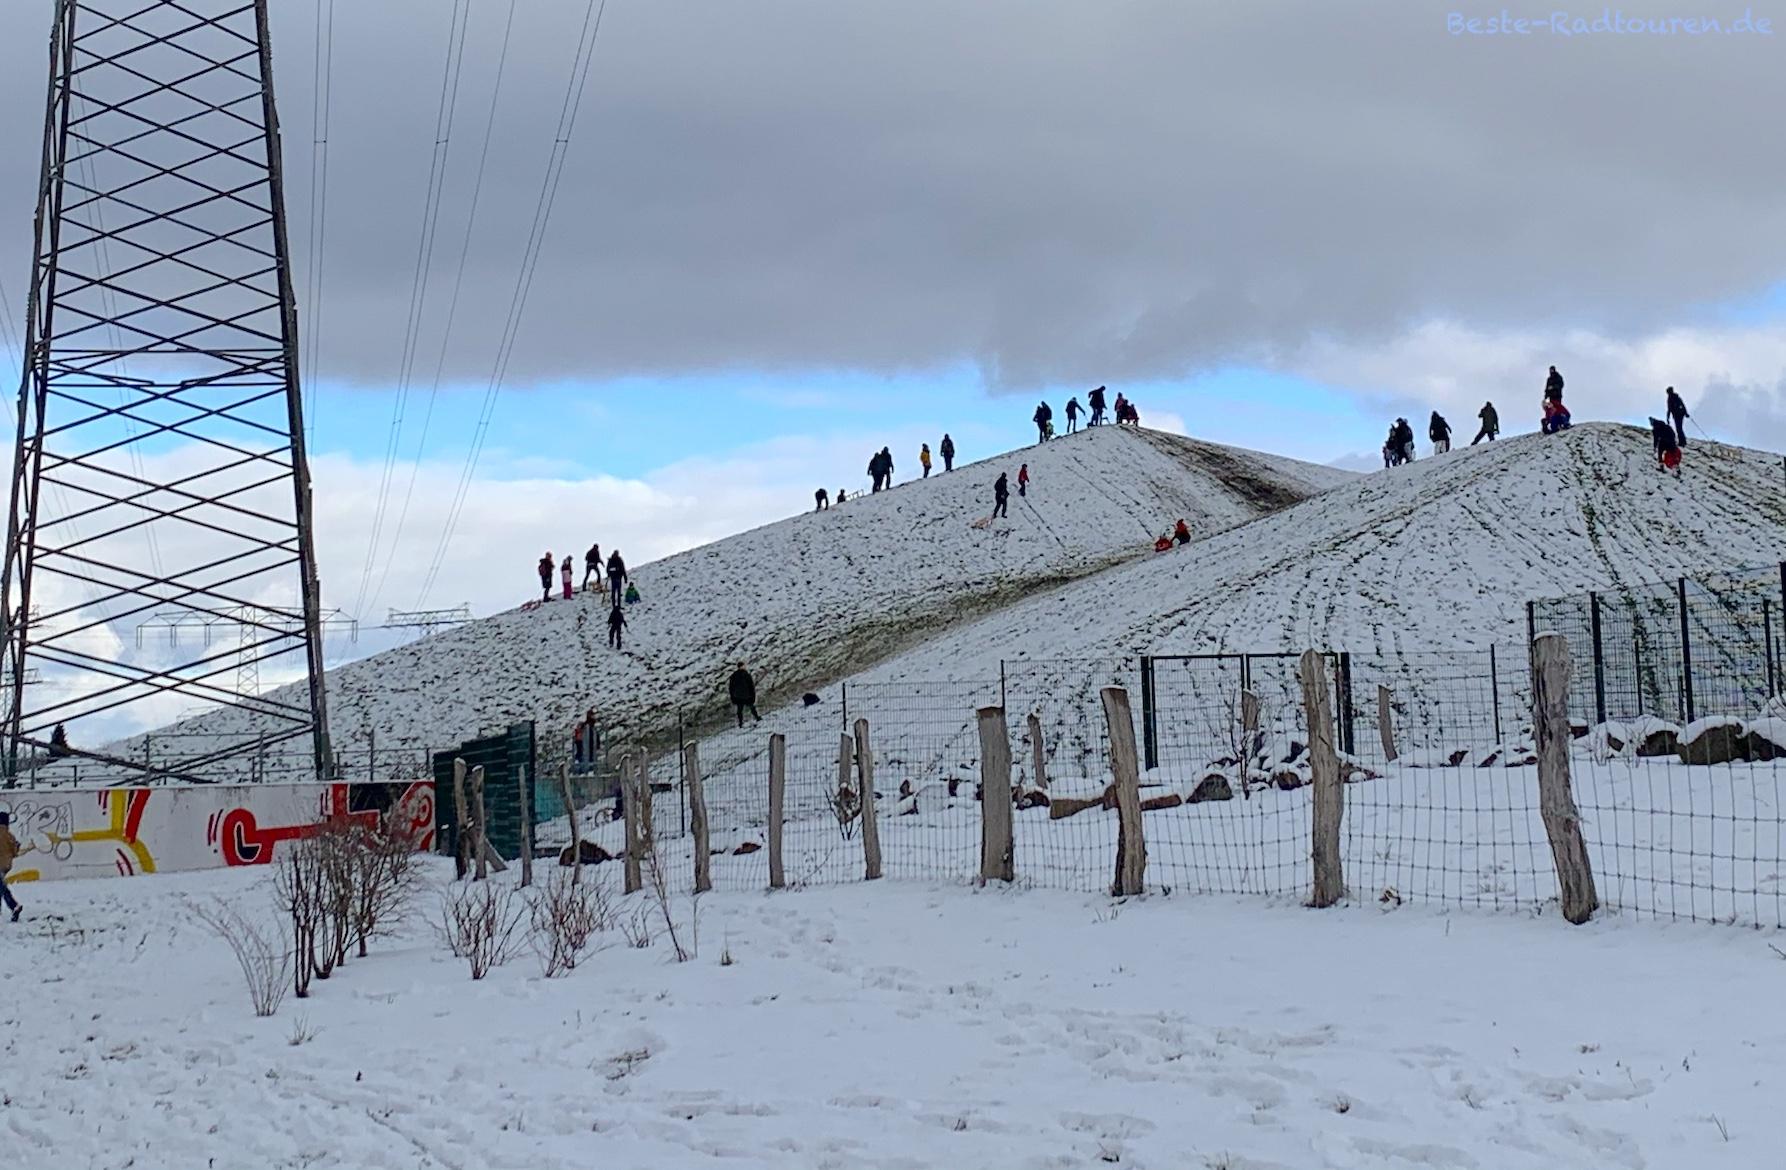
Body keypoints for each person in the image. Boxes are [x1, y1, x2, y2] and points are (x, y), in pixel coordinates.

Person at [0, 810, 20, 922]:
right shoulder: (10, 836)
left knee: (1, 887)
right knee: (0, 886)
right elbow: (15, 852)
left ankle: (14, 906)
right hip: (6, 865)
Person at [728, 663, 760, 728]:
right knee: (751, 707)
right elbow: (751, 686)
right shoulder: (746, 675)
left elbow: (731, 687)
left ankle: (740, 722)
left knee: (740, 710)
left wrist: (733, 697)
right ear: (742, 666)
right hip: (746, 695)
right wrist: (753, 695)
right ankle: (757, 717)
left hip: (738, 696)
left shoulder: (734, 676)